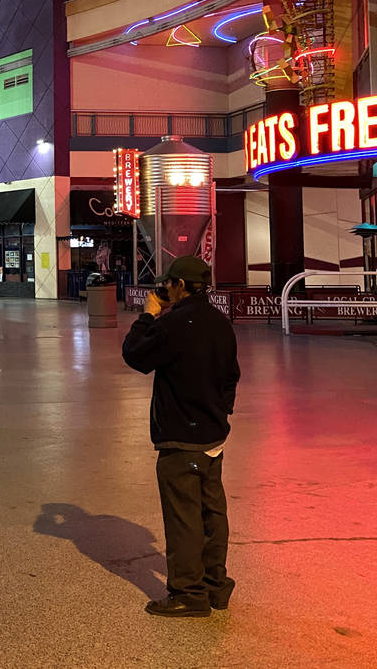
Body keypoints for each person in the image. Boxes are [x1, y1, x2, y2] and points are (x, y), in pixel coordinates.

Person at [121, 255, 240, 618]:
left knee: (183, 516)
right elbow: (231, 376)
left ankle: (188, 592)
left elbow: (135, 355)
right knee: (211, 512)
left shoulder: (173, 324)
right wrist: (219, 414)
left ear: (180, 286)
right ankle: (216, 585)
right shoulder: (221, 322)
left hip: (180, 436)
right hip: (212, 434)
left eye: (168, 283)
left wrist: (146, 316)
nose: (164, 289)